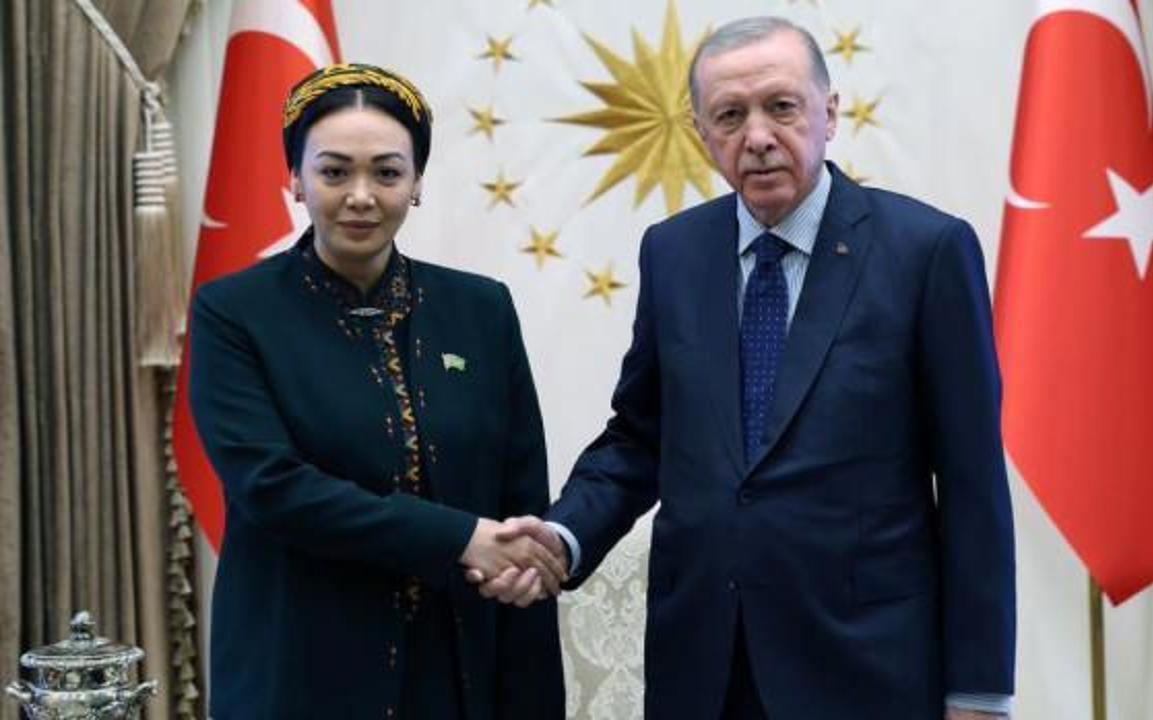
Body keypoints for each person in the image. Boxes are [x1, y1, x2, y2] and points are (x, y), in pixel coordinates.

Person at [474, 17, 1015, 720]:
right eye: (730, 116)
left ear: (829, 114)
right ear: (703, 134)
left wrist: (979, 692)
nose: (757, 136)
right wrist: (563, 535)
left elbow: (973, 485)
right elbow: (641, 437)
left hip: (866, 669)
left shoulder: (926, 251)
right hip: (705, 667)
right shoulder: (673, 252)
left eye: (781, 107)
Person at [189, 63, 566, 719]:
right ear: (295, 179)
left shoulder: (481, 308)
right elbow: (272, 487)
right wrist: (458, 537)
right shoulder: (234, 312)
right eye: (334, 172)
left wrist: (520, 569)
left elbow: (519, 491)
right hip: (302, 667)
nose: (361, 195)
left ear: (416, 183)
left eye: (387, 173)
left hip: (460, 665)